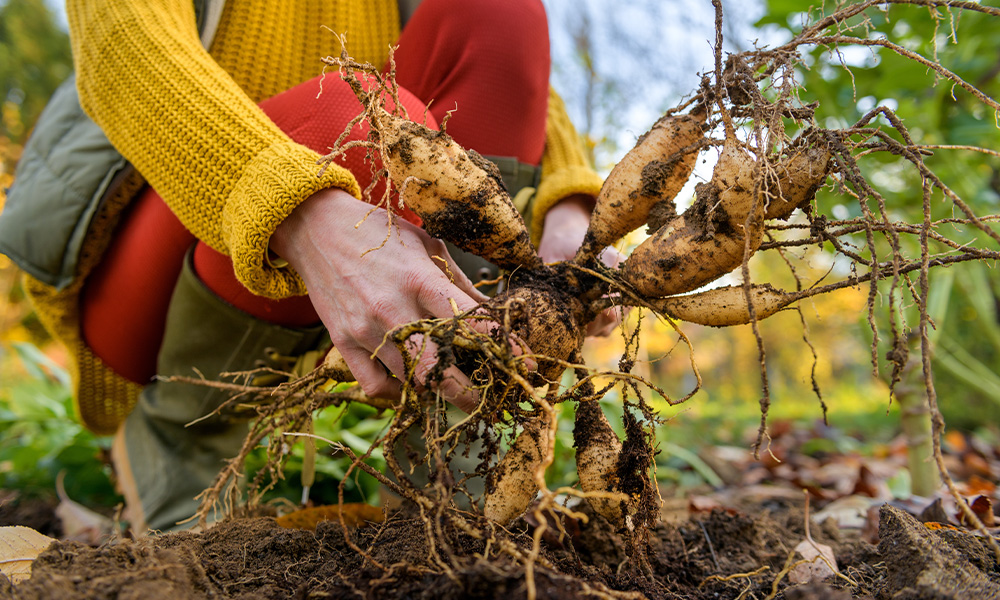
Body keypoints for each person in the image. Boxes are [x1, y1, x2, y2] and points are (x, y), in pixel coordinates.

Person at [3, 0, 617, 532]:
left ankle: (454, 449)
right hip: (158, 248)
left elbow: (512, 76)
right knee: (349, 107)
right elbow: (125, 49)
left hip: (370, 223)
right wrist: (297, 207)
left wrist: (566, 206)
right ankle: (188, 432)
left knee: (498, 12)